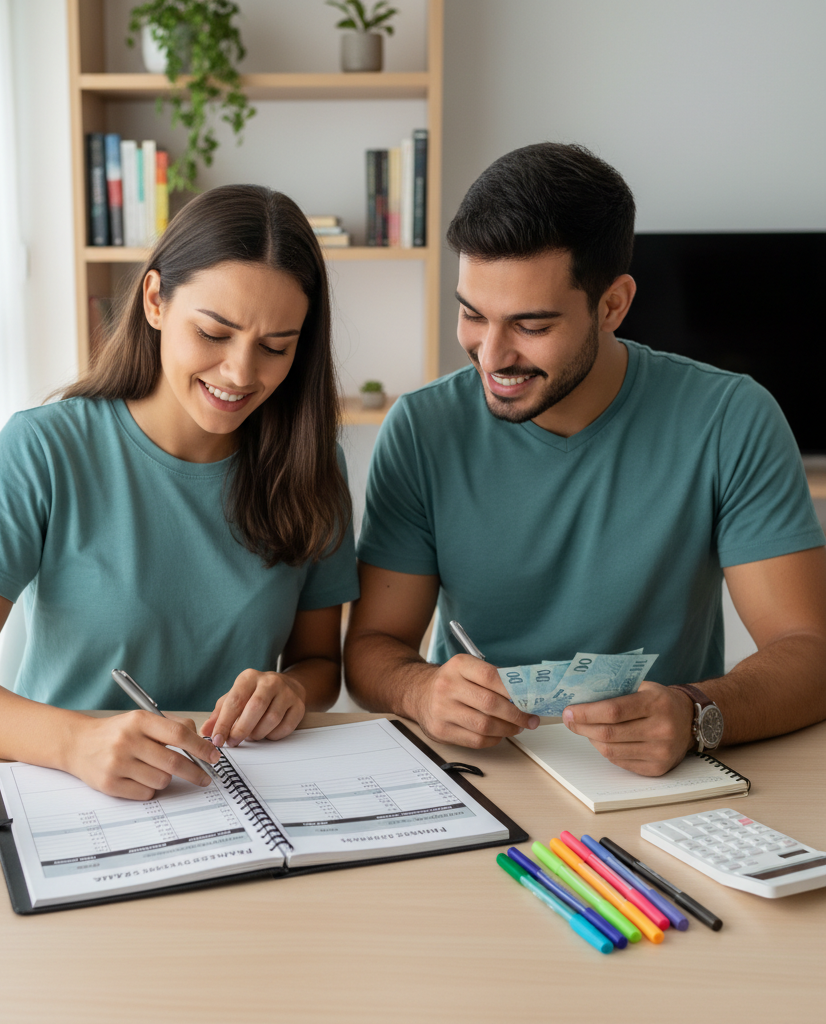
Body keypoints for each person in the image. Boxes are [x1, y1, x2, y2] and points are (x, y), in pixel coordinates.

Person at [344, 142, 826, 777]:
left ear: (612, 306)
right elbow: (374, 648)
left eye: (531, 326)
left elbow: (809, 652)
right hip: (484, 774)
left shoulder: (730, 417)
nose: (491, 355)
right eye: (472, 314)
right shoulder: (421, 429)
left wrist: (694, 712)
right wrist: (421, 691)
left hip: (662, 775)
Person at [0, 184, 358, 799]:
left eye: (275, 347)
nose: (242, 373)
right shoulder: (45, 449)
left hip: (229, 794)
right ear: (155, 301)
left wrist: (294, 690)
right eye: (215, 333)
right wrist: (74, 743)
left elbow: (321, 665)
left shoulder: (310, 464)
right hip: (64, 790)